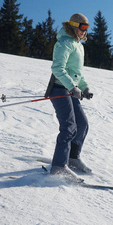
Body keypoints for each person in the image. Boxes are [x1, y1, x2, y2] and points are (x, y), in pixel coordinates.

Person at [44, 13, 93, 181]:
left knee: (82, 124)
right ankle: (58, 166)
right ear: (73, 26)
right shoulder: (64, 43)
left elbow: (77, 73)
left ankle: (72, 157)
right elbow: (58, 68)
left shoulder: (79, 45)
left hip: (72, 90)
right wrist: (72, 87)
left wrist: (84, 88)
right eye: (82, 27)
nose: (85, 31)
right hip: (59, 89)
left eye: (87, 28)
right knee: (69, 127)